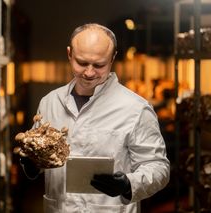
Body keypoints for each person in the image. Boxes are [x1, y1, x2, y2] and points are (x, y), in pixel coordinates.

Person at [20, 23, 170, 212]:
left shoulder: (135, 108)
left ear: (113, 58)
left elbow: (158, 167)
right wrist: (33, 165)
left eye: (99, 65)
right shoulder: (50, 102)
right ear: (69, 54)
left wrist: (128, 184)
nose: (89, 73)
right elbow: (41, 156)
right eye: (81, 63)